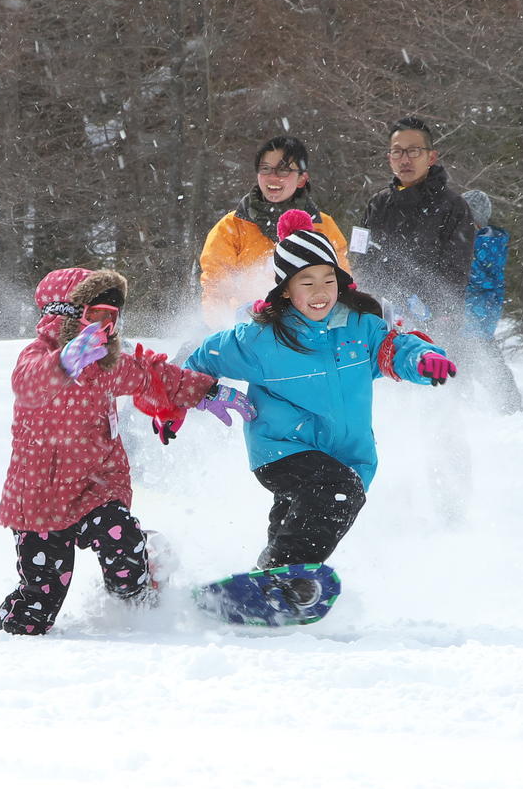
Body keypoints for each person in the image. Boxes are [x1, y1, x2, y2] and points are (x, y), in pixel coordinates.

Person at [184, 211, 457, 597]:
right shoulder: (261, 337)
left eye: (329, 280)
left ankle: (274, 580)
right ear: (285, 290)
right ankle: (282, 576)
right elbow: (200, 359)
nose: (320, 292)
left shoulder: (362, 326)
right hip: (281, 447)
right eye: (306, 282)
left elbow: (396, 349)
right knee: (337, 491)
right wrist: (195, 394)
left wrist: (421, 359)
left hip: (347, 452)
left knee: (307, 515)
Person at [0, 267, 254, 635]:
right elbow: (29, 385)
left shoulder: (109, 365)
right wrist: (65, 361)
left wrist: (207, 391)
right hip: (41, 496)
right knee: (42, 595)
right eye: (96, 316)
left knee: (122, 544)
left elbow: (154, 377)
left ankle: (140, 603)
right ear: (64, 314)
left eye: (112, 319)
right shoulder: (37, 355)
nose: (105, 329)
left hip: (97, 484)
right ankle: (12, 632)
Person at [197, 136, 351, 330]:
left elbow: (341, 284)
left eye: (283, 169)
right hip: (247, 328)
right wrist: (225, 330)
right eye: (265, 168)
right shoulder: (231, 227)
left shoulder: (323, 227)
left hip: (312, 327)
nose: (272, 177)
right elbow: (215, 288)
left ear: (302, 178)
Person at [350, 116, 475, 343]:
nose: (405, 159)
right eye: (397, 152)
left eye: (414, 151)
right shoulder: (377, 204)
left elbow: (455, 273)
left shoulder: (454, 207)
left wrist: (426, 309)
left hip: (433, 326)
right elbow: (359, 257)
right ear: (389, 158)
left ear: (431, 157)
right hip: (380, 322)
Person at [461, 190, 523, 415]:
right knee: (460, 364)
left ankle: (512, 409)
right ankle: (463, 407)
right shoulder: (465, 241)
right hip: (463, 317)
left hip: (477, 316)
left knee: (486, 361)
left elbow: (481, 279)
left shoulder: (488, 244)